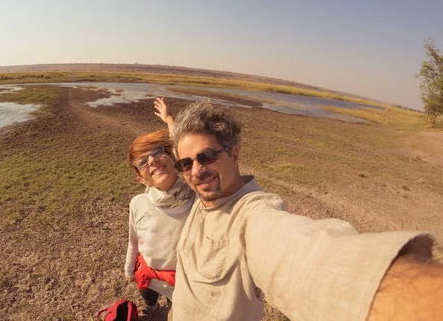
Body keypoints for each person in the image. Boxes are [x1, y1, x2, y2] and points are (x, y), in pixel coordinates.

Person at [169, 101, 442, 321]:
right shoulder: (203, 198)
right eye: (185, 163)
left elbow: (303, 256)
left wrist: (413, 293)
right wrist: (170, 120)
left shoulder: (251, 214)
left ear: (235, 155)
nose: (196, 171)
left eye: (206, 157)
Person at [124, 98, 195, 320]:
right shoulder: (138, 203)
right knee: (148, 296)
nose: (152, 161)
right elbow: (133, 240)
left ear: (173, 158)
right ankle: (150, 307)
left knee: (178, 310)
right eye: (142, 162)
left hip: (181, 282)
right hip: (148, 274)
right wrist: (129, 269)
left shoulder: (196, 199)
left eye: (157, 152)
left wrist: (169, 119)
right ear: (140, 179)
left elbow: (186, 150)